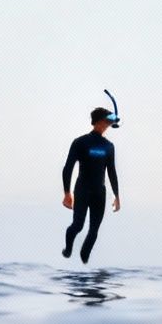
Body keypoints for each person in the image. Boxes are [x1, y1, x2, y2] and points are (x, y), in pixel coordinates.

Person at [62, 106, 121, 263]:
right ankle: (68, 249)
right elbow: (68, 167)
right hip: (82, 190)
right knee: (78, 225)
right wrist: (67, 193)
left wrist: (117, 195)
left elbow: (112, 172)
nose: (108, 125)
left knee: (94, 230)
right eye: (107, 121)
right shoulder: (80, 142)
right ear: (100, 122)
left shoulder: (109, 146)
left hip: (99, 193)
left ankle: (84, 262)